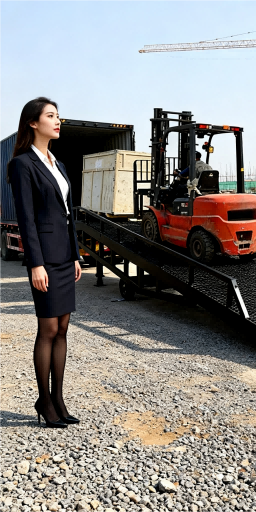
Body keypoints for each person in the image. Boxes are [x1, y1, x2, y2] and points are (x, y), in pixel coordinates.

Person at [7, 98, 81, 428]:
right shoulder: (22, 164)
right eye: (51, 116)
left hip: (64, 256)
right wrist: (35, 263)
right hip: (45, 258)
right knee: (48, 329)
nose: (58, 120)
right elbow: (26, 218)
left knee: (63, 328)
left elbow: (68, 215)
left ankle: (59, 399)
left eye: (58, 115)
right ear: (33, 123)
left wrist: (76, 255)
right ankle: (44, 401)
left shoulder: (59, 164)